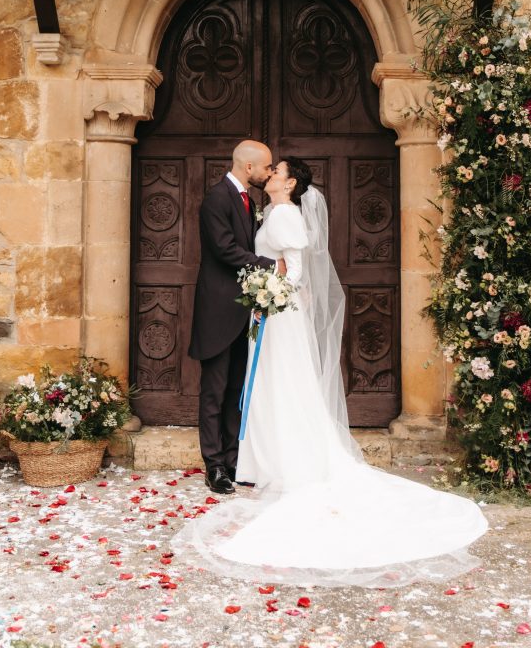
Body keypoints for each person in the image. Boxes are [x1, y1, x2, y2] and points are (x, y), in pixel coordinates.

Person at [175, 156, 488, 588]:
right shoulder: (269, 210)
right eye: (268, 167)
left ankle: (270, 461)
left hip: (277, 313)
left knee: (279, 386)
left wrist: (271, 288)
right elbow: (268, 259)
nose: (270, 174)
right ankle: (250, 460)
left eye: (277, 171)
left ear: (290, 184)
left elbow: (296, 269)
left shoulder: (283, 214)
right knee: (266, 387)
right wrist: (271, 281)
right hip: (267, 312)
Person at [188, 140, 286, 496]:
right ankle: (214, 465)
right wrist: (270, 265)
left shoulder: (248, 201)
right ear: (249, 168)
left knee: (234, 391)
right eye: (266, 167)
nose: (269, 172)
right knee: (214, 392)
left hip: (243, 312)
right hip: (218, 311)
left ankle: (232, 460)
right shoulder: (217, 198)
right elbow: (225, 249)